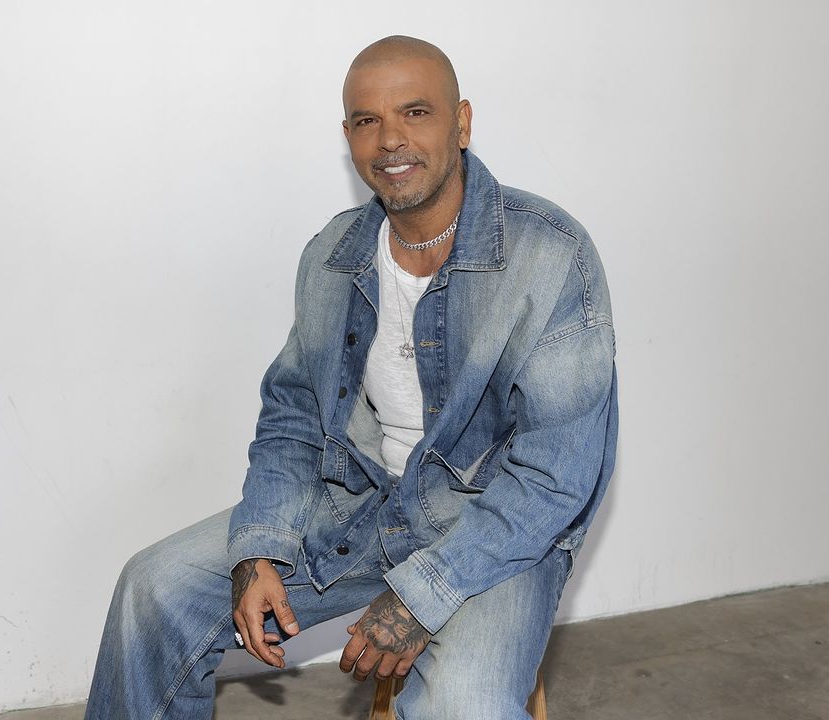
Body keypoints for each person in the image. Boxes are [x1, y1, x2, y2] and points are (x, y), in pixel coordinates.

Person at [84, 35, 618, 720]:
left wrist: (424, 594)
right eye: (368, 120)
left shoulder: (550, 255)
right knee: (153, 589)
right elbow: (293, 416)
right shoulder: (332, 257)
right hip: (358, 503)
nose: (390, 139)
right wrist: (262, 544)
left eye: (416, 112)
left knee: (467, 705)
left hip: (494, 528)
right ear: (348, 138)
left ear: (461, 123)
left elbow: (555, 476)